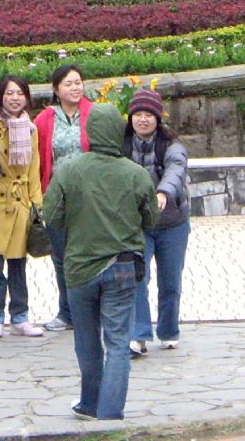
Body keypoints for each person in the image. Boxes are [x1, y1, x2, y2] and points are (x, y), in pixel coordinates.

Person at [43, 101, 158, 422]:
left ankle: (89, 404)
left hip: (80, 268)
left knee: (87, 340)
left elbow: (51, 215)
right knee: (119, 342)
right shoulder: (136, 174)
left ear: (89, 133)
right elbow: (151, 219)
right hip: (123, 266)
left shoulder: (69, 169)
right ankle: (110, 413)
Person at [121, 89, 190, 355]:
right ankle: (138, 334)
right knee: (138, 277)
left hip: (173, 223)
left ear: (157, 118)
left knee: (170, 280)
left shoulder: (172, 146)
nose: (142, 119)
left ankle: (169, 330)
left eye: (148, 114)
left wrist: (163, 192)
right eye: (138, 114)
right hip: (139, 224)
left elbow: (176, 170)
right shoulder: (123, 145)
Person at [0, 74, 44, 338]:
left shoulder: (31, 128)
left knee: (18, 265)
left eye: (19, 93)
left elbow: (35, 168)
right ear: (0, 97)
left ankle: (20, 316)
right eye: (9, 93)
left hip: (20, 203)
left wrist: (36, 206)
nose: (14, 98)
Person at [33, 63, 92, 331]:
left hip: (90, 198)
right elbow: (37, 159)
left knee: (89, 253)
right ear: (56, 89)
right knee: (61, 256)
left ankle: (89, 311)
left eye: (78, 82)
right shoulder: (45, 119)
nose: (75, 88)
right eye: (68, 83)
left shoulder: (94, 113)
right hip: (56, 197)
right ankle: (66, 312)